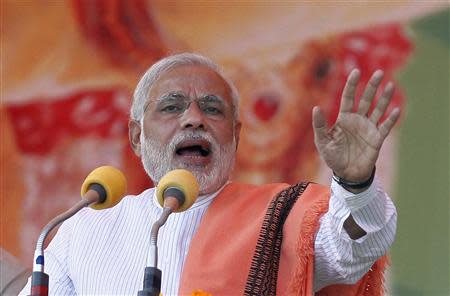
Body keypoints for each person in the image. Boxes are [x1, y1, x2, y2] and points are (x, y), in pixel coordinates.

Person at [20, 53, 398, 295]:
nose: (194, 119)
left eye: (212, 109)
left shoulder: (280, 216)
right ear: (137, 136)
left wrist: (355, 184)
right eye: (172, 107)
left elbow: (353, 247)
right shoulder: (84, 230)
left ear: (234, 136)